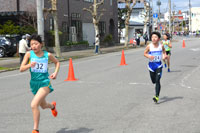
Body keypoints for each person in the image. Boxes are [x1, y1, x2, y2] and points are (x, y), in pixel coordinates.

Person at [20, 34, 60, 133]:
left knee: (34, 105)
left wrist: (55, 73)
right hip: (34, 84)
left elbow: (57, 62)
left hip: (44, 83)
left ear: (41, 44)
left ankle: (35, 130)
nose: (33, 46)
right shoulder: (29, 54)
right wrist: (29, 65)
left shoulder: (47, 55)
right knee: (43, 105)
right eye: (31, 44)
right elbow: (21, 69)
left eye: (35, 44)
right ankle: (52, 106)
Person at [144, 31, 167, 103]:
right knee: (153, 81)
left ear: (159, 39)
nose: (153, 39)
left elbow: (164, 51)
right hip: (151, 66)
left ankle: (156, 96)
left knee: (157, 80)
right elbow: (145, 53)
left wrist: (164, 56)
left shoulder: (161, 46)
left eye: (155, 37)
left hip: (158, 65)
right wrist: (149, 56)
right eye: (152, 37)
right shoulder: (149, 46)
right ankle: (156, 91)